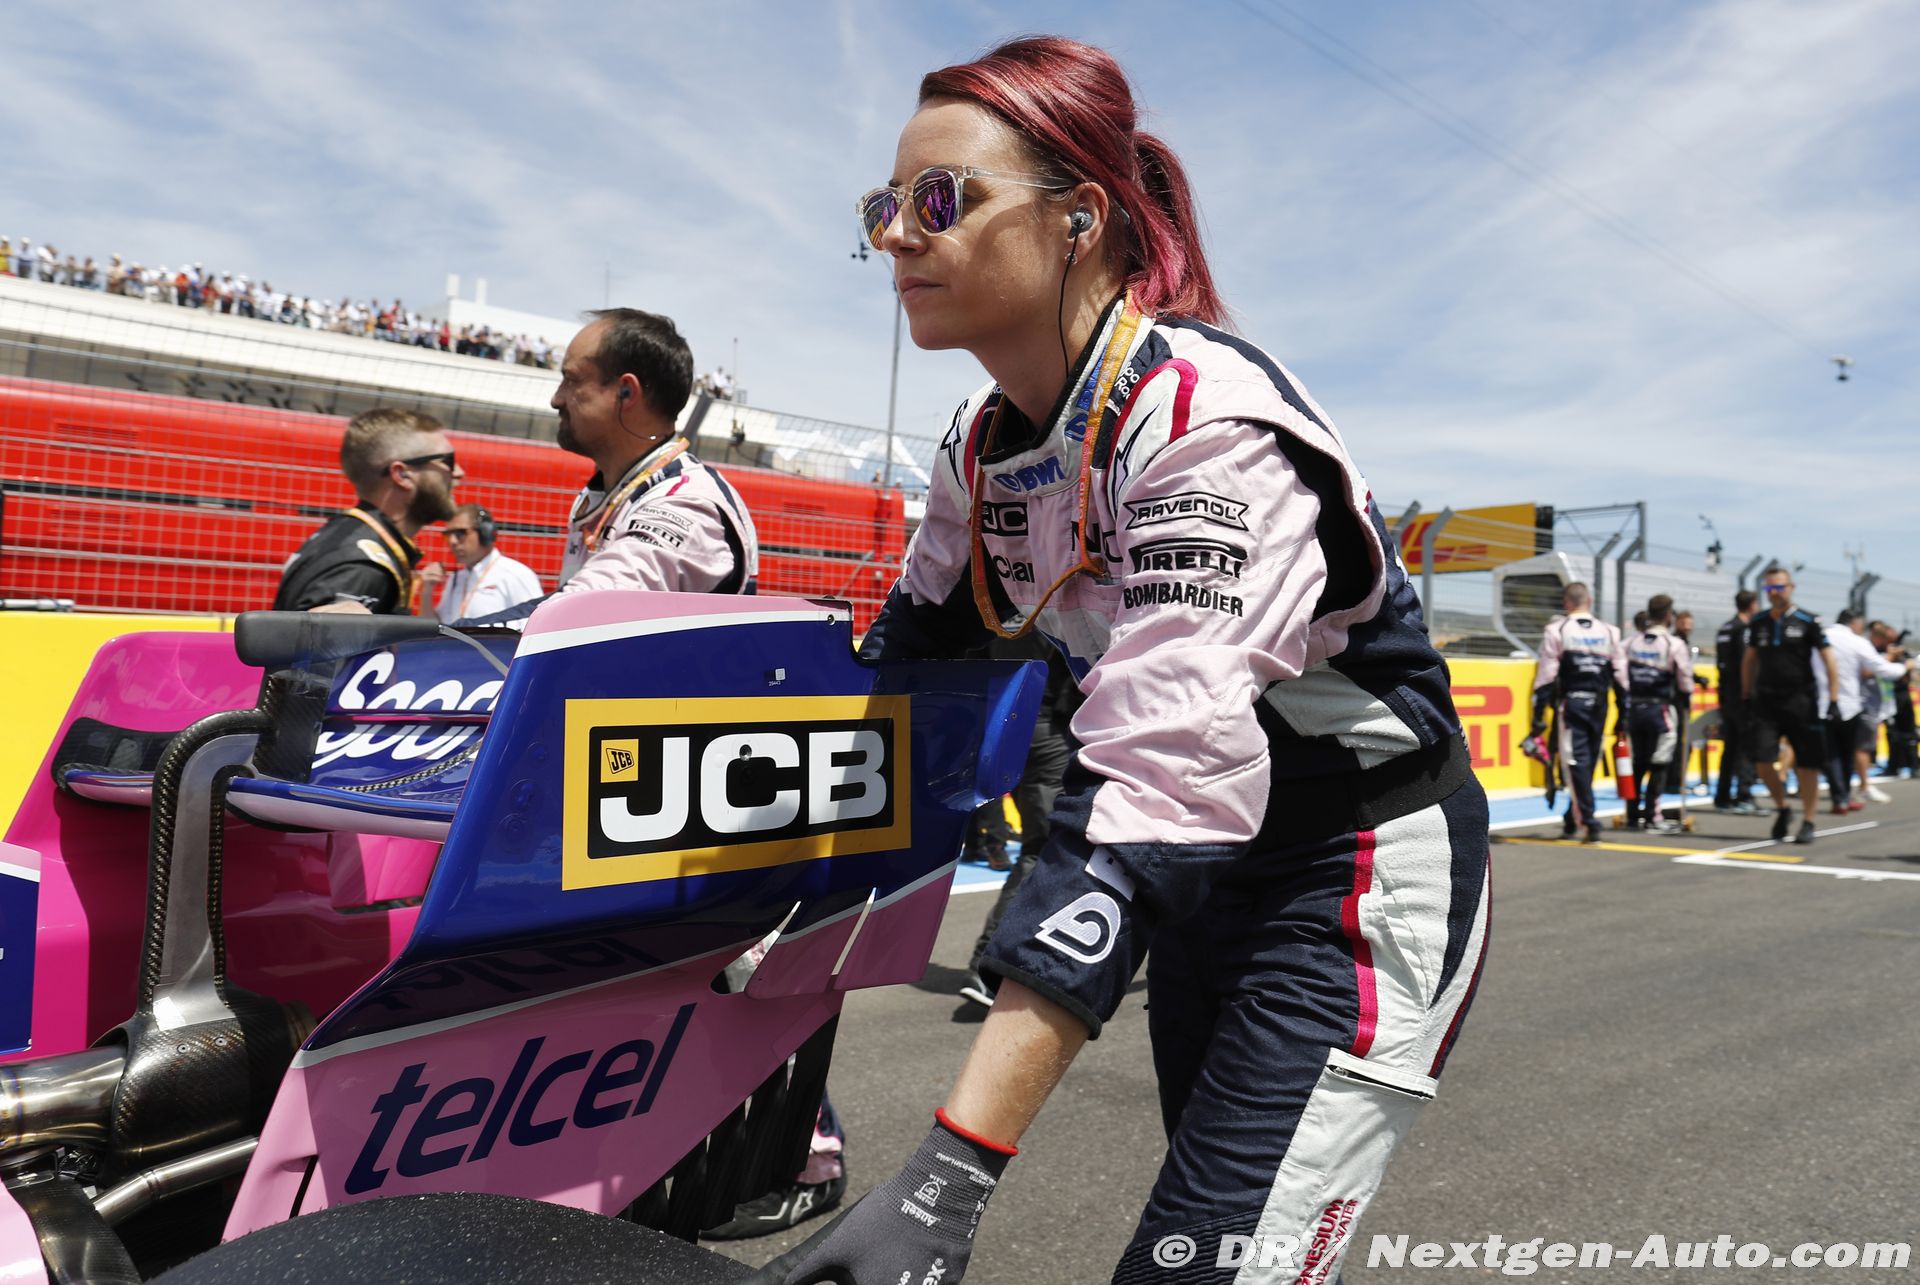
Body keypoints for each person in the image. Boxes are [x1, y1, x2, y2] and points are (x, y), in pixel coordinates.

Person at [766, 37, 1490, 1285]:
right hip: (1208, 880)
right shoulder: (979, 446)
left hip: (1351, 875)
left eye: (940, 199)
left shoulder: (1208, 425)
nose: (896, 237)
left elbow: (1159, 783)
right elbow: (900, 679)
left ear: (1081, 219)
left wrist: (947, 1178)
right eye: (883, 206)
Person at [959, 637, 1081, 1007]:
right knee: (1044, 849)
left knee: (1049, 848)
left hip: (1004, 728)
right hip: (1048, 730)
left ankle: (1030, 961)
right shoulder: (1052, 610)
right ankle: (990, 965)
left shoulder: (993, 613)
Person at [271, 408, 461, 614]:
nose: (459, 472)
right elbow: (312, 633)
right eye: (447, 461)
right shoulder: (365, 567)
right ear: (402, 474)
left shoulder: (350, 537)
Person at [1741, 566, 1840, 844]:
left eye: (1779, 587)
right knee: (1762, 762)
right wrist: (1746, 695)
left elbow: (1829, 659)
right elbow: (1749, 660)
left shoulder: (1809, 620)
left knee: (1807, 765)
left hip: (1801, 701)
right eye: (1770, 588)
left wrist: (1833, 698)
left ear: (1791, 587)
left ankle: (1808, 820)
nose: (1775, 593)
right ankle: (1783, 808)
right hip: (1766, 701)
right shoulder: (1758, 621)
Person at [1529, 581, 1620, 843]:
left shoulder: (1557, 629)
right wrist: (1624, 714)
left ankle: (1588, 822)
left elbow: (1546, 676)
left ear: (1565, 603)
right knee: (1587, 762)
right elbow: (1620, 675)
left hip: (1572, 704)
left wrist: (1538, 715)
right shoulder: (1610, 631)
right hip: (1601, 705)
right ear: (1589, 601)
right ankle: (1573, 817)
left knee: (1576, 763)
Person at [1615, 595, 1694, 831]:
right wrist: (1686, 702)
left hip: (1634, 708)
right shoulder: (1673, 644)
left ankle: (1632, 814)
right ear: (1669, 616)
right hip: (1661, 710)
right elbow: (1685, 680)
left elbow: (1619, 676)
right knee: (1660, 761)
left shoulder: (1630, 643)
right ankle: (1652, 816)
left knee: (1638, 762)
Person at [1826, 610, 1908, 809]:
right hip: (1859, 704)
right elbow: (1869, 671)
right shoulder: (1858, 643)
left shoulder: (1829, 636)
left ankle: (1843, 795)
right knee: (1859, 748)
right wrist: (1898, 662)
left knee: (1842, 750)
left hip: (1848, 703)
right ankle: (1859, 788)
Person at [422, 503, 543, 623]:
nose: (452, 541)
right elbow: (435, 627)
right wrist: (427, 591)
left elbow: (536, 623)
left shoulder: (515, 574)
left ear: (485, 533)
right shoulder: (456, 579)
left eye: (460, 533)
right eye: (448, 535)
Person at [1713, 590, 1760, 813]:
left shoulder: (1724, 628)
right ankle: (1744, 795)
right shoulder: (1744, 629)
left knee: (1730, 747)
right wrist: (1749, 692)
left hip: (1726, 694)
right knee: (1745, 746)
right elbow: (1747, 663)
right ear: (1752, 605)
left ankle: (1722, 796)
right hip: (1742, 695)